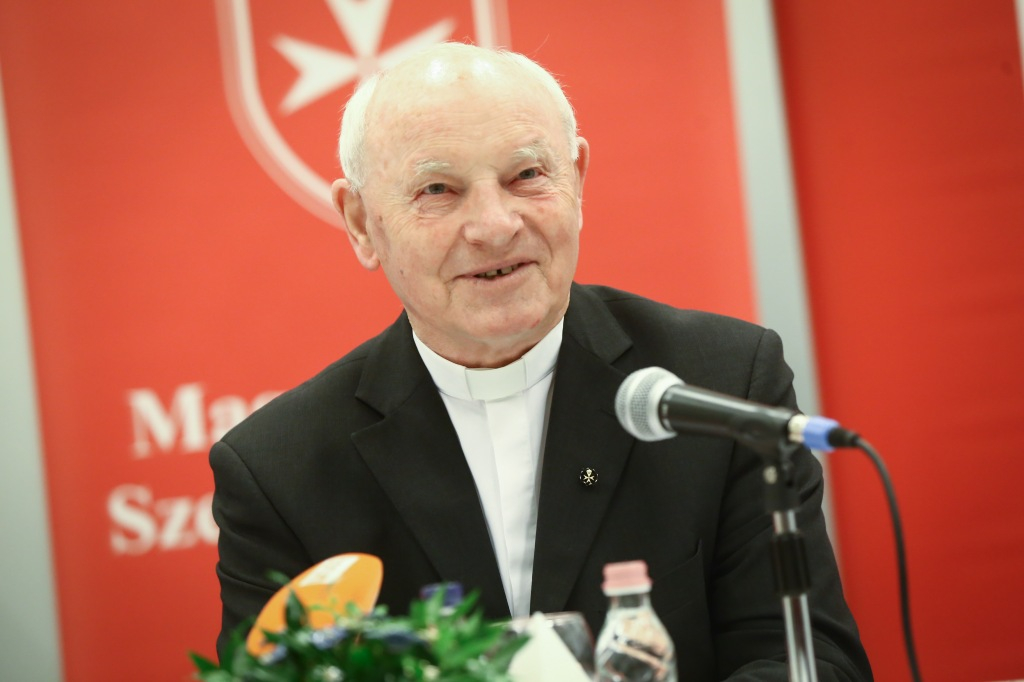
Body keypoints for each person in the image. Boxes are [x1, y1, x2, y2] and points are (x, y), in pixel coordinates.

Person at [211, 42, 872, 679]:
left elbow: (813, 662)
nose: (496, 226)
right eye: (438, 189)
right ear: (361, 222)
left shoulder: (721, 383)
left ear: (577, 178)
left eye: (526, 176)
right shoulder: (279, 471)